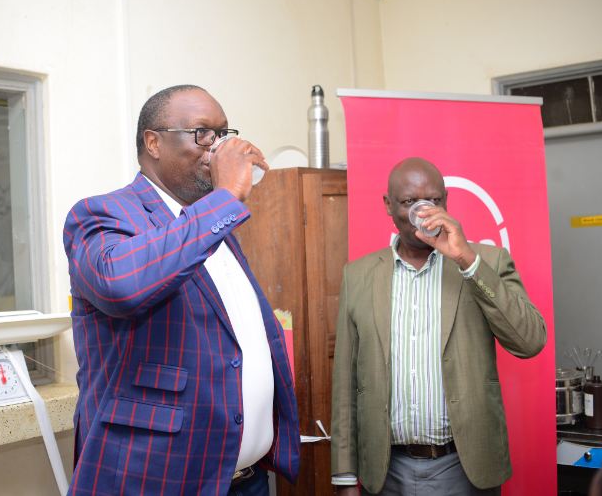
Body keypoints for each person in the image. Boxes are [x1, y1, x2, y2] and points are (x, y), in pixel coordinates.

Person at [63, 85, 299, 495]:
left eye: (223, 134)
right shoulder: (102, 213)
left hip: (246, 481)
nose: (218, 148)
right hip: (158, 480)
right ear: (153, 142)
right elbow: (120, 285)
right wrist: (225, 197)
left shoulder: (214, 227)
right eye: (203, 133)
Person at [330, 157, 547, 495]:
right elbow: (346, 383)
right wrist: (344, 478)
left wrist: (467, 261)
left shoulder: (486, 262)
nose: (424, 211)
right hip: (387, 471)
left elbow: (530, 340)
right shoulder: (358, 276)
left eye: (434, 201)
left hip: (465, 468)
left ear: (447, 201)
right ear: (388, 205)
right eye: (409, 202)